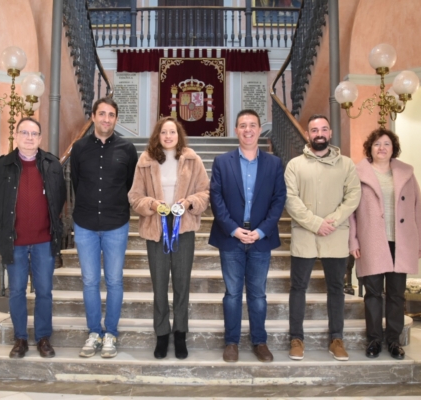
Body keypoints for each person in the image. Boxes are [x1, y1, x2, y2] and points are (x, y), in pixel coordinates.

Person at [128, 116, 209, 359]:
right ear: (158, 135)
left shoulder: (192, 160)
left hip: (182, 227)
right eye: (164, 132)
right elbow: (134, 196)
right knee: (160, 284)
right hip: (156, 227)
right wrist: (152, 204)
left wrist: (190, 202)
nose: (168, 136)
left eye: (172, 132)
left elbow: (205, 192)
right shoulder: (145, 161)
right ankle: (162, 334)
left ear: (178, 134)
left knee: (182, 283)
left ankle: (180, 332)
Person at [0, 117, 66, 359]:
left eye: (34, 133)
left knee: (44, 291)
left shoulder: (52, 164)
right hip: (15, 242)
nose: (29, 137)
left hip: (43, 241)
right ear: (17, 137)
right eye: (24, 133)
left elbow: (59, 198)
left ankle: (43, 337)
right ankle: (20, 338)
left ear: (40, 138)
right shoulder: (2, 166)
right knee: (17, 291)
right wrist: (6, 228)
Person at [209, 109, 286, 363]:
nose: (248, 129)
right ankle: (231, 342)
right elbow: (216, 199)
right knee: (232, 293)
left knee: (257, 294)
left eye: (252, 125)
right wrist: (233, 228)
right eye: (243, 125)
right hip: (231, 237)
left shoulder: (274, 163)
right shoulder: (222, 162)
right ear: (236, 130)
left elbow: (278, 200)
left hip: (260, 238)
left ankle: (259, 341)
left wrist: (261, 231)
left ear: (259, 130)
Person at [285, 114, 361, 361]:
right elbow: (290, 199)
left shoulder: (347, 164)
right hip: (305, 237)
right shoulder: (294, 165)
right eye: (314, 130)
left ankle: (336, 339)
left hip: (335, 237)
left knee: (336, 289)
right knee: (298, 288)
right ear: (308, 135)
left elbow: (353, 196)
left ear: (330, 133)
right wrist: (316, 223)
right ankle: (296, 338)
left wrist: (333, 221)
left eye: (324, 129)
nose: (319, 133)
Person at [349, 128, 421, 360]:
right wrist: (353, 240)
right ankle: (374, 340)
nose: (381, 148)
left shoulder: (406, 174)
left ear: (393, 148)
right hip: (371, 242)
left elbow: (417, 209)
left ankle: (393, 341)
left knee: (396, 294)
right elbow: (350, 212)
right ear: (370, 148)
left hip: (401, 241)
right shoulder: (358, 173)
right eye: (376, 144)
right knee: (372, 293)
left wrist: (420, 242)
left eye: (386, 144)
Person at [71, 97, 138, 358]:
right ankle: (93, 333)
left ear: (116, 119)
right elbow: (77, 181)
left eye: (111, 115)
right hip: (85, 223)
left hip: (115, 224)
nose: (106, 119)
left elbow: (131, 184)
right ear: (93, 116)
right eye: (102, 114)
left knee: (114, 280)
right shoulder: (78, 148)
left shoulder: (127, 148)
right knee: (89, 280)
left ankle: (110, 333)